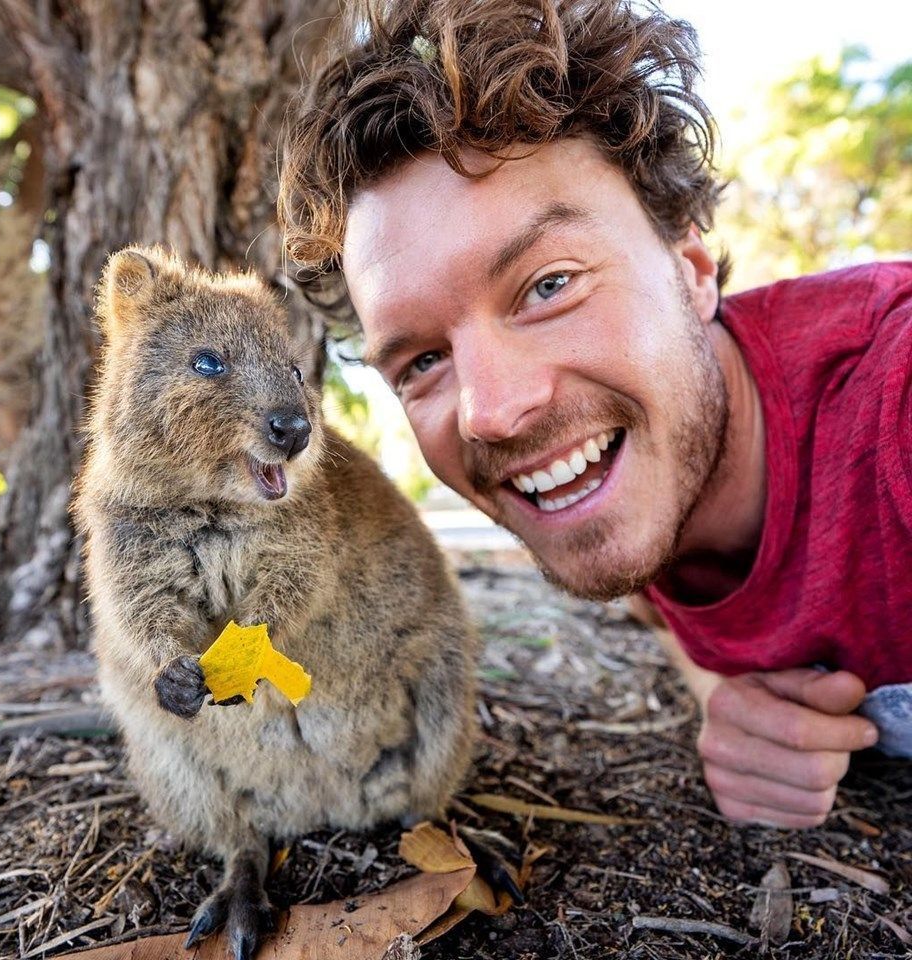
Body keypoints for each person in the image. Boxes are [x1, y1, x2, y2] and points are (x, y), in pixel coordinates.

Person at [278, 0, 912, 829]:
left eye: (549, 286)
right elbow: (657, 602)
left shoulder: (888, 396)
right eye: (423, 360)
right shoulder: (644, 492)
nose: (492, 412)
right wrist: (728, 701)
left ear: (689, 270)